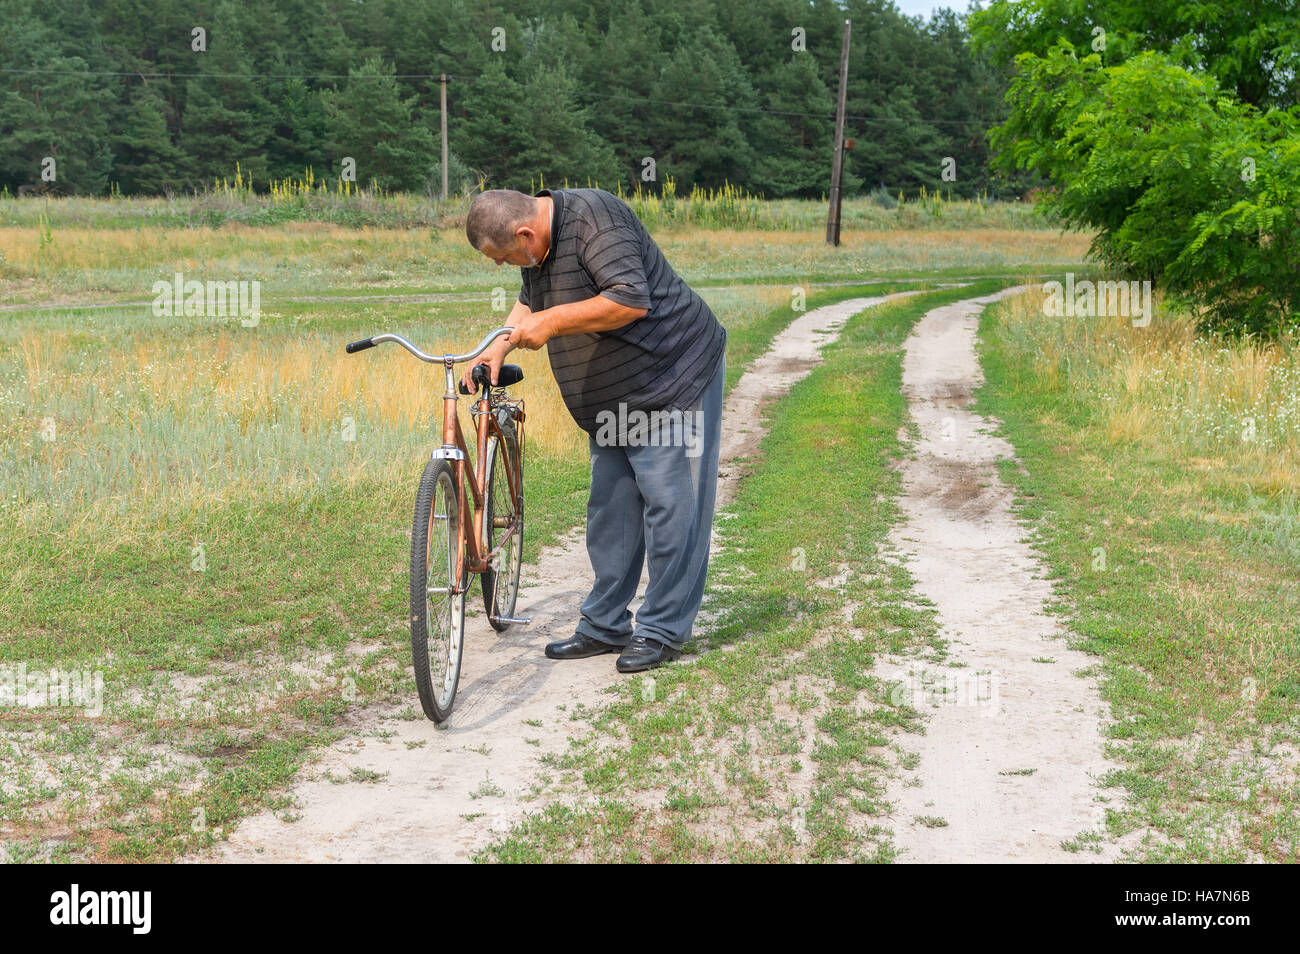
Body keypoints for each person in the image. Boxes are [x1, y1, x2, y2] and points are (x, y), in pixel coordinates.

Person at [463, 187, 726, 672]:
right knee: (612, 511)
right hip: (613, 398)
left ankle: (662, 630)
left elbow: (629, 299)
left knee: (671, 508)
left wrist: (551, 322)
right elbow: (528, 303)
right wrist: (497, 346)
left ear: (524, 232)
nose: (504, 266)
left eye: (503, 257)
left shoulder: (594, 219)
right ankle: (605, 625)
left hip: (672, 378)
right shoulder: (536, 247)